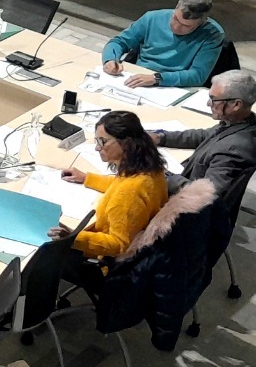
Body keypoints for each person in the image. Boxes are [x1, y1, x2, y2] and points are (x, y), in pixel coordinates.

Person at [51, 111, 170, 291]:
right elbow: (120, 184)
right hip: (145, 255)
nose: (97, 148)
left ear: (126, 143)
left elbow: (118, 245)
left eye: (103, 142)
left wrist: (72, 238)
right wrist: (87, 178)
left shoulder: (129, 193)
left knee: (41, 255)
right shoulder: (149, 169)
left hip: (109, 267)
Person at [152, 69, 256, 198]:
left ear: (236, 104)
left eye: (214, 99)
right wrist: (161, 138)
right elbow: (204, 135)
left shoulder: (233, 150)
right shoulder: (241, 123)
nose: (208, 104)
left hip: (184, 204)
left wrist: (164, 176)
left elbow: (205, 195)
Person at [101, 0, 225, 89]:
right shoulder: (152, 18)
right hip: (139, 76)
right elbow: (119, 42)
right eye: (175, 18)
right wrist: (110, 59)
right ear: (177, 5)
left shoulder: (212, 34)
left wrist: (157, 78)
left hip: (175, 85)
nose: (176, 27)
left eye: (186, 26)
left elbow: (197, 75)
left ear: (203, 22)